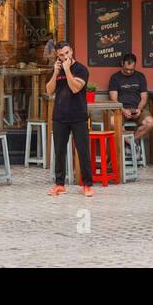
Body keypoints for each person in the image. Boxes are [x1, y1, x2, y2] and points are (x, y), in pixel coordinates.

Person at [45, 42, 93, 197]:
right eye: (61, 55)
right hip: (59, 115)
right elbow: (49, 90)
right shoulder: (58, 69)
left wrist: (66, 70)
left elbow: (75, 88)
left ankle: (87, 185)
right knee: (59, 151)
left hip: (78, 116)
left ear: (72, 51)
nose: (65, 57)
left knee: (83, 151)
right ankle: (60, 184)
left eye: (67, 53)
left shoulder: (81, 69)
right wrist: (55, 73)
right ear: (57, 55)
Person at [107, 53, 150, 125]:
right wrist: (123, 110)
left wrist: (139, 109)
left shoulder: (140, 76)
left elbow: (144, 98)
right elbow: (113, 99)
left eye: (131, 69)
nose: (129, 71)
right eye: (126, 69)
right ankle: (125, 136)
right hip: (120, 110)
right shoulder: (115, 77)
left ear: (135, 65)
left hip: (137, 109)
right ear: (122, 64)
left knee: (150, 123)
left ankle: (133, 137)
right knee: (112, 122)